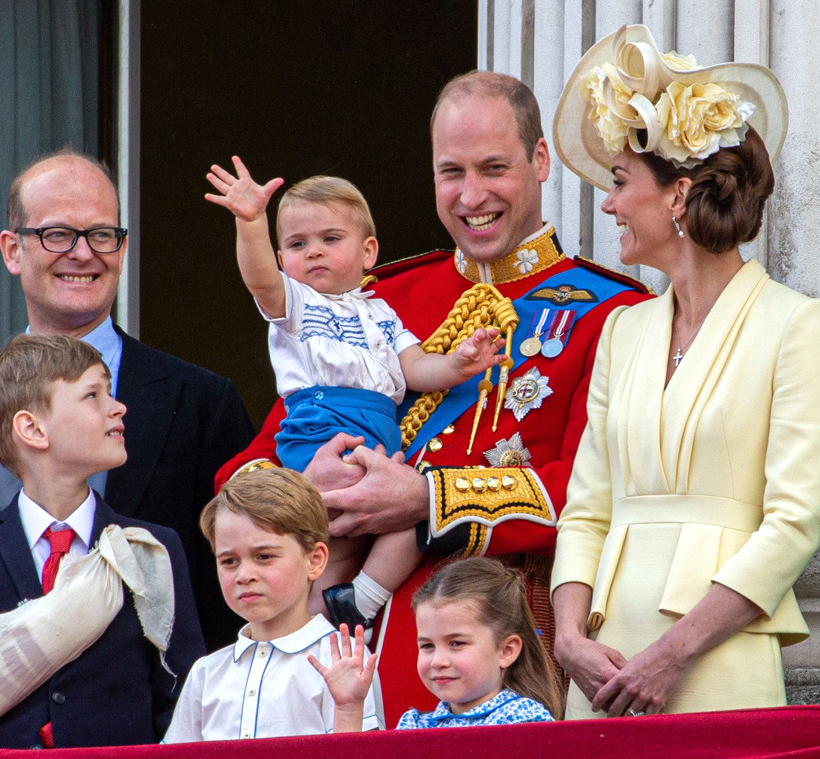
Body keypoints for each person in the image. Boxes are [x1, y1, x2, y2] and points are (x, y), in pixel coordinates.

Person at [214, 71, 651, 725]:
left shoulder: (613, 312)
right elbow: (245, 467)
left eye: (493, 168)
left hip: (495, 655)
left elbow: (597, 491)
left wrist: (429, 498)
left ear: (539, 161)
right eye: (452, 172)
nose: (471, 195)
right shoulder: (375, 297)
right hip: (338, 652)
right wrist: (304, 482)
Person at [549, 25, 820, 718]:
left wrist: (675, 652)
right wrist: (567, 640)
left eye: (620, 183)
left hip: (716, 658)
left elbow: (792, 525)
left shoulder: (798, 325)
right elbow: (586, 510)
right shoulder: (623, 329)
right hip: (602, 662)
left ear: (677, 195)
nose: (608, 203)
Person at [204, 163, 504, 632]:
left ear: (368, 252)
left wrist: (458, 365)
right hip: (322, 426)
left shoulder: (382, 311)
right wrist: (250, 223)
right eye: (298, 244)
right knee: (335, 539)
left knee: (414, 520)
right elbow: (259, 279)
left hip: (379, 433)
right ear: (283, 258)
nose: (314, 253)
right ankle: (316, 623)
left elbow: (414, 368)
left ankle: (361, 601)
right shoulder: (294, 304)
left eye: (330, 239)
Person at [0, 149, 255, 649]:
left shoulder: (202, 401)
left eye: (101, 234)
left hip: (157, 714)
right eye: (57, 234)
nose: (83, 253)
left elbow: (235, 589)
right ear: (12, 250)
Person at [0, 334, 204, 748]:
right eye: (93, 394)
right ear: (32, 428)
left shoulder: (150, 549)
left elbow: (180, 698)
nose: (118, 406)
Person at [163, 467, 380, 742]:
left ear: (314, 560)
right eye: (229, 561)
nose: (244, 575)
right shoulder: (206, 674)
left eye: (264, 556)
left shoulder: (340, 662)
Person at [312, 557, 558, 729]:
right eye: (427, 646)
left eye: (457, 643)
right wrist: (348, 708)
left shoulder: (526, 721)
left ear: (506, 650)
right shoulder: (414, 725)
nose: (438, 661)